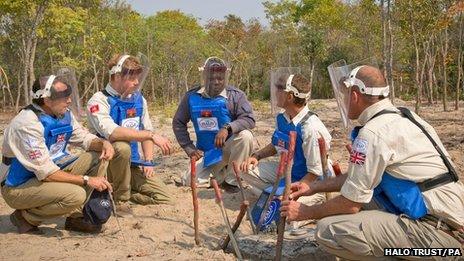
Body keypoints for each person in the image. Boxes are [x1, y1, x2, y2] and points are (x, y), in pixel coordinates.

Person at [281, 64, 464, 259]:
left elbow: (350, 204)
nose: (342, 101)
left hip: (439, 238)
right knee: (358, 203)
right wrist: (313, 188)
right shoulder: (407, 118)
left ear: (354, 96)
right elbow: (356, 179)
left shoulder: (372, 133)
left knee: (327, 230)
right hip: (451, 224)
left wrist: (305, 212)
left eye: (344, 96)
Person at [0, 74, 114, 234]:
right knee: (76, 195)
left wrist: (103, 143)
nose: (69, 101)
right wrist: (87, 180)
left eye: (69, 96)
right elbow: (45, 173)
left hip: (50, 169)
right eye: (64, 97)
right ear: (47, 100)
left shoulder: (63, 114)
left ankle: (77, 218)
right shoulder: (27, 124)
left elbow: (84, 138)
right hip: (18, 185)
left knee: (97, 157)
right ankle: (25, 217)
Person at [240, 73, 332, 228]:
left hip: (313, 182)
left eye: (279, 90)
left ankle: (314, 201)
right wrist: (257, 156)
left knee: (286, 219)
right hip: (289, 171)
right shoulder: (283, 118)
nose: (275, 94)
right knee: (245, 170)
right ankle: (277, 194)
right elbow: (276, 145)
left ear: (289, 96)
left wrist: (293, 191)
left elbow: (315, 172)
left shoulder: (310, 128)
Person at [86, 54, 174, 211]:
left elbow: (146, 128)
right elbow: (112, 132)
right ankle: (121, 200)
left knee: (165, 198)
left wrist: (148, 161)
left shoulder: (139, 99)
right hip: (106, 165)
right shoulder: (98, 101)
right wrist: (151, 136)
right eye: (132, 78)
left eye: (138, 77)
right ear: (117, 76)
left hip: (132, 164)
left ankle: (125, 192)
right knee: (121, 146)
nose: (137, 82)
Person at [172, 57, 255, 193]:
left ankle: (232, 180)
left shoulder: (235, 96)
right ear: (204, 76)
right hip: (206, 154)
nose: (216, 82)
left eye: (220, 78)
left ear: (225, 77)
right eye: (211, 78)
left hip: (229, 150)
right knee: (189, 181)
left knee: (246, 136)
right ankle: (219, 176)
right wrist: (189, 148)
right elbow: (178, 122)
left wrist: (228, 128)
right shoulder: (191, 97)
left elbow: (249, 119)